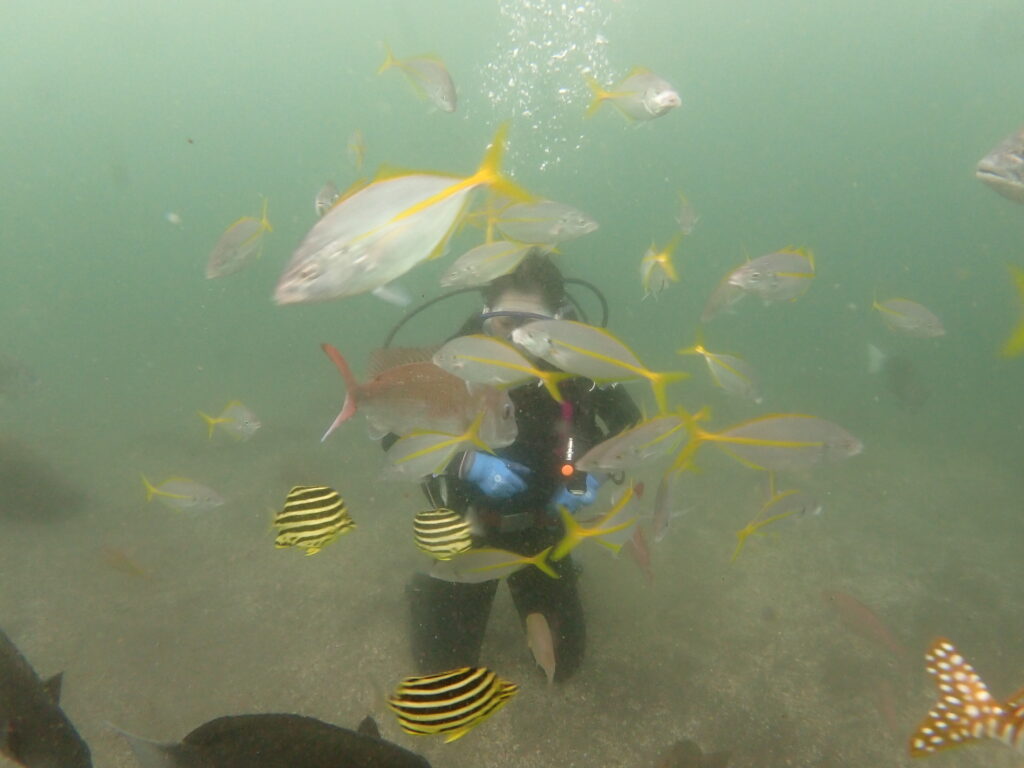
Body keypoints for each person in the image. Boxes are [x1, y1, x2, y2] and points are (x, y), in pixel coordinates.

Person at [399, 251, 640, 683]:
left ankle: (545, 583)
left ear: (559, 320)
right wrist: (464, 462)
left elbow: (633, 426)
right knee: (439, 670)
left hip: (545, 526)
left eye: (534, 325)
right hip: (468, 525)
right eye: (505, 323)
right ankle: (428, 586)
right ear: (485, 315)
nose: (518, 339)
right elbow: (393, 430)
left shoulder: (579, 362)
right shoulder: (454, 360)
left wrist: (596, 473)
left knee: (563, 665)